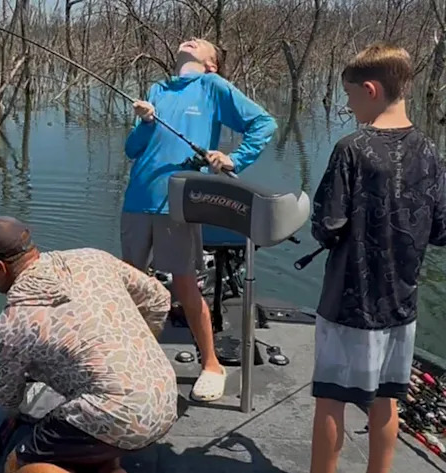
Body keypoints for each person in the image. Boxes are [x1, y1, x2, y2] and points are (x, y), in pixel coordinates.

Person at [307, 41, 446, 473]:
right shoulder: (431, 151)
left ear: (370, 89)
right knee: (386, 400)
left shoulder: (352, 148)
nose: (349, 107)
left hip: (349, 302)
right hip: (401, 306)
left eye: (349, 97)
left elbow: (327, 226)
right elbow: (441, 230)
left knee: (330, 400)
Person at [121, 37, 277, 402]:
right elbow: (132, 150)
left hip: (178, 202)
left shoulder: (212, 86)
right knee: (130, 287)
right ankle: (132, 360)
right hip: (137, 200)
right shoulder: (158, 88)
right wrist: (145, 122)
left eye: (202, 43)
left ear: (212, 64)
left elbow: (264, 124)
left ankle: (212, 365)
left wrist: (235, 158)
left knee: (186, 286)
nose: (192, 39)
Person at [0, 216, 179, 473]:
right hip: (164, 397)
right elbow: (160, 298)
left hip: (121, 417)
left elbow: (8, 399)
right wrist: (138, 345)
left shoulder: (12, 323)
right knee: (93, 441)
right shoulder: (92, 258)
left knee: (20, 466)